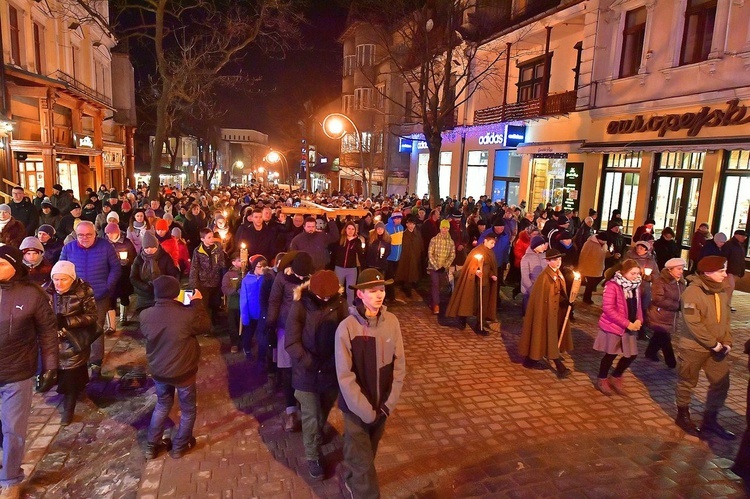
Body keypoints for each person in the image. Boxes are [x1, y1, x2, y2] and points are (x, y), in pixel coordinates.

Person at [335, 268, 406, 498]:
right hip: (356, 411)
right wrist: (365, 410)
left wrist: (388, 405)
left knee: (365, 455)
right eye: (373, 290)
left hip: (381, 408)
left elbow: (399, 365)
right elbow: (345, 376)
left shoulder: (392, 322)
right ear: (360, 295)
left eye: (382, 289)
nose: (379, 295)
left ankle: (351, 478)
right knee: (365, 466)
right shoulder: (346, 328)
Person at [0, 245, 58, 498]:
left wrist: (50, 365)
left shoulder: (32, 294)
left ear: (15, 266)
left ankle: (11, 479)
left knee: (13, 428)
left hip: (17, 372)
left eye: (1, 263)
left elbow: (47, 332)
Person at [285, 270, 348, 480]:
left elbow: (345, 336)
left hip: (330, 369)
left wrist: (334, 361)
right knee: (311, 415)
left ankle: (317, 432)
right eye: (321, 297)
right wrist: (310, 362)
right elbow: (292, 342)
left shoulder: (339, 304)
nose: (325, 300)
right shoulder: (300, 305)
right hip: (307, 371)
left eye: (328, 296)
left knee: (324, 409)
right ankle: (312, 455)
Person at [141, 276, 211, 460]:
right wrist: (197, 302)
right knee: (188, 409)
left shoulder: (145, 315)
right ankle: (180, 446)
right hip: (184, 371)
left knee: (162, 405)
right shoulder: (186, 315)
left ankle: (151, 446)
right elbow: (205, 325)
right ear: (176, 293)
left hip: (159, 370)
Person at [674, 256, 735, 439]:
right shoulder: (692, 292)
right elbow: (693, 323)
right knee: (687, 382)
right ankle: (682, 416)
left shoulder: (721, 291)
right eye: (721, 271)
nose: (725, 275)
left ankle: (710, 419)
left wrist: (727, 341)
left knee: (721, 383)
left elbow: (725, 320)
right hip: (694, 348)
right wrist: (713, 344)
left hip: (717, 348)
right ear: (708, 272)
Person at [59, 221, 121, 378]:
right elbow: (61, 268)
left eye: (88, 234)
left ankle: (95, 363)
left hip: (99, 295)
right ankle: (78, 362)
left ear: (95, 234)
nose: (84, 238)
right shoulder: (69, 248)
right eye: (81, 235)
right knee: (75, 328)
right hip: (74, 297)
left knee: (96, 328)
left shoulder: (105, 247)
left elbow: (115, 267)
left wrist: (108, 286)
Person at [44, 260, 99, 425]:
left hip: (74, 341)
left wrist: (69, 322)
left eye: (64, 279)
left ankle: (68, 409)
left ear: (72, 279)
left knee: (71, 376)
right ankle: (77, 390)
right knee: (62, 374)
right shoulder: (46, 292)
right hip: (53, 342)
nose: (59, 283)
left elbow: (92, 316)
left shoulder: (83, 292)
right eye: (56, 279)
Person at [267, 252, 313, 432]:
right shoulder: (282, 278)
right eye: (299, 275)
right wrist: (270, 323)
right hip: (285, 328)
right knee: (287, 370)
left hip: (305, 329)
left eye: (305, 275)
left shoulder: (312, 278)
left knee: (303, 368)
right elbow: (274, 301)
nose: (302, 278)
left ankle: (305, 407)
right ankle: (290, 410)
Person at [518, 248, 573, 378]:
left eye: (560, 259)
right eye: (555, 260)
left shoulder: (558, 274)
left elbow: (559, 292)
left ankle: (531, 360)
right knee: (544, 335)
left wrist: (566, 301)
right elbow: (541, 298)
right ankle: (559, 367)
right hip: (546, 313)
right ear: (548, 261)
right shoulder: (544, 278)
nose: (558, 262)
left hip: (555, 313)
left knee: (545, 337)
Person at [593, 259, 643, 396]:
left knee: (632, 354)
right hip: (614, 326)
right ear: (624, 272)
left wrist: (639, 319)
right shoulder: (612, 285)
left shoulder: (636, 286)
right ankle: (602, 378)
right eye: (633, 273)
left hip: (630, 326)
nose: (636, 277)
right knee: (611, 354)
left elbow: (638, 305)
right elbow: (608, 308)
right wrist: (627, 323)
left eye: (638, 274)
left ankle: (616, 376)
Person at [445, 232, 498, 335]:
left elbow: (490, 267)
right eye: (491, 243)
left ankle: (480, 326)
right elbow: (470, 267)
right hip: (473, 283)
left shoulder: (491, 252)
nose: (493, 245)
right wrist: (476, 271)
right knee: (468, 301)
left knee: (483, 304)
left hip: (485, 283)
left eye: (494, 243)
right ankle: (462, 318)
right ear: (485, 241)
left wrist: (492, 275)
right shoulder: (476, 251)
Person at [644, 258, 686, 368]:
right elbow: (658, 299)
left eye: (682, 269)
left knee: (659, 335)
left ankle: (650, 352)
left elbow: (683, 297)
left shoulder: (680, 282)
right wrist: (677, 306)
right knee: (665, 337)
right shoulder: (661, 281)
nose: (681, 271)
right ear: (669, 270)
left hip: (671, 316)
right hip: (660, 314)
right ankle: (671, 362)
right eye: (678, 269)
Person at [131, 231, 180, 311]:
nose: (149, 250)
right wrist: (145, 287)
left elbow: (173, 275)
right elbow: (133, 277)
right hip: (144, 295)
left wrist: (163, 286)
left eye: (152, 247)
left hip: (162, 295)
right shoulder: (139, 259)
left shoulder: (165, 257)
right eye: (146, 248)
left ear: (157, 246)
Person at [188, 228, 226, 329]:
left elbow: (222, 263)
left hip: (216, 281)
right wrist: (194, 285)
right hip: (204, 283)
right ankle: (207, 326)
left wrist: (223, 278)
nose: (211, 239)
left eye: (212, 236)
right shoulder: (198, 251)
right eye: (209, 237)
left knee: (215, 303)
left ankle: (215, 322)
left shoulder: (217, 248)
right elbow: (194, 268)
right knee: (205, 305)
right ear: (202, 239)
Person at [104, 222, 136, 325]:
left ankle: (123, 316)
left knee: (124, 294)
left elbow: (133, 256)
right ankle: (111, 323)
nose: (109, 235)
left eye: (112, 233)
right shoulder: (104, 243)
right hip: (109, 274)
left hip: (124, 274)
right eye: (108, 233)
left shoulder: (126, 242)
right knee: (110, 297)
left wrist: (127, 261)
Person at [427, 220, 456, 314]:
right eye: (443, 227)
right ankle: (436, 304)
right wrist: (436, 266)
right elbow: (430, 254)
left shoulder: (451, 241)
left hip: (444, 268)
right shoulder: (434, 239)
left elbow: (452, 255)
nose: (445, 230)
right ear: (440, 228)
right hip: (434, 267)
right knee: (435, 284)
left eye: (447, 228)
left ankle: (434, 300)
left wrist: (445, 266)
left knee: (441, 285)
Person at [333, 221, 365, 306]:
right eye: (349, 229)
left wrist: (363, 267)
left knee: (350, 291)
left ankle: (350, 309)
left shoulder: (357, 241)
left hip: (351, 269)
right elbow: (334, 252)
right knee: (338, 290)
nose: (350, 231)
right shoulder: (340, 239)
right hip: (339, 268)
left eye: (352, 229)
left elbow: (361, 255)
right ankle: (337, 308)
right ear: (345, 229)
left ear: (355, 230)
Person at [394, 216, 423, 299]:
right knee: (406, 272)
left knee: (413, 273)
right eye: (410, 224)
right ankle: (406, 288)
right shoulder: (403, 234)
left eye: (413, 224)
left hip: (415, 256)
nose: (411, 226)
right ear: (407, 224)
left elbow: (420, 244)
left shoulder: (417, 234)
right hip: (405, 257)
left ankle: (410, 287)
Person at [578, 231, 610, 304]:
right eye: (603, 241)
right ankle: (587, 298)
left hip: (599, 267)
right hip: (590, 267)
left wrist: (611, 253)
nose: (604, 242)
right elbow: (583, 255)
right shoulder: (589, 243)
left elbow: (604, 254)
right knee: (590, 284)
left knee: (595, 281)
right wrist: (581, 267)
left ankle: (588, 296)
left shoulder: (604, 244)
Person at [519, 235, 548, 313]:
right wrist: (532, 290)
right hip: (529, 291)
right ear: (535, 246)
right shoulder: (526, 258)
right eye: (541, 245)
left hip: (541, 289)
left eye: (543, 244)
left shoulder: (544, 256)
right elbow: (525, 277)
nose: (543, 247)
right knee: (529, 312)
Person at [722, 229, 747, 312]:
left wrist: (742, 270)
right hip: (729, 271)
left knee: (730, 289)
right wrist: (725, 270)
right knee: (729, 288)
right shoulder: (729, 245)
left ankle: (727, 304)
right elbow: (724, 258)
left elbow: (741, 259)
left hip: (736, 271)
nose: (744, 238)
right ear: (737, 235)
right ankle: (725, 305)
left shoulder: (741, 245)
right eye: (743, 236)